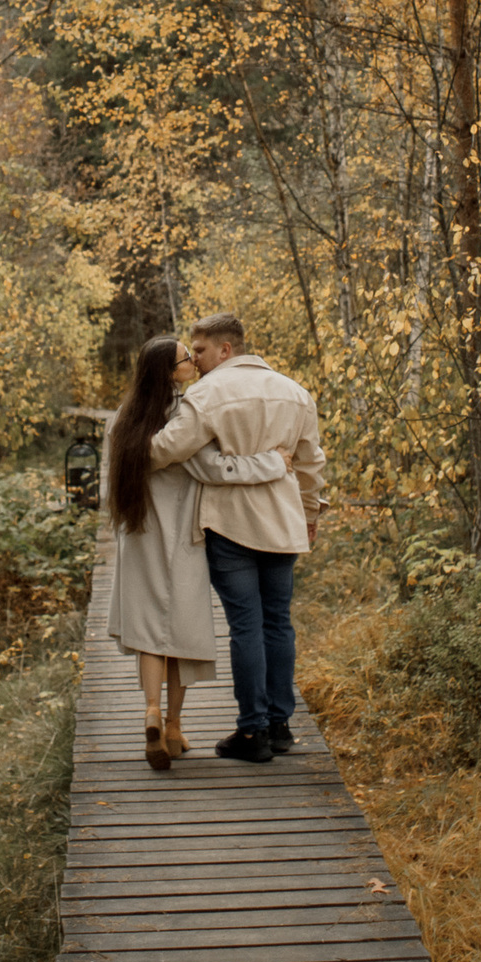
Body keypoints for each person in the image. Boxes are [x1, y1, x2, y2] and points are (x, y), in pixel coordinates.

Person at [103, 335, 291, 770]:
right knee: (181, 630)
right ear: (170, 373)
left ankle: (150, 711)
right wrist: (274, 462)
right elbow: (216, 469)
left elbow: (115, 480)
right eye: (188, 358)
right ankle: (172, 727)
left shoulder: (122, 418)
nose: (194, 362)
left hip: (136, 534)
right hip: (180, 537)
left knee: (150, 628)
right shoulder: (181, 415)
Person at [147, 312, 325, 763]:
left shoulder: (206, 394)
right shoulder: (296, 392)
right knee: (277, 622)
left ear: (226, 350)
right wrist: (309, 515)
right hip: (283, 523)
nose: (196, 359)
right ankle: (280, 725)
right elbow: (310, 464)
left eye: (201, 349)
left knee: (246, 625)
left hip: (230, 525)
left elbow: (167, 449)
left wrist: (131, 446)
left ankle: (253, 732)